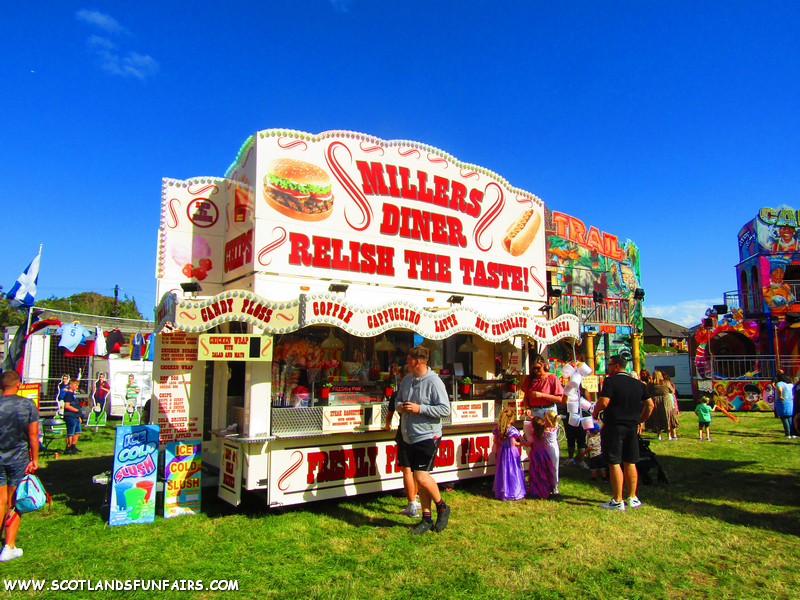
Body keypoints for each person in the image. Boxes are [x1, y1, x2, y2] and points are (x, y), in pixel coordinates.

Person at [395, 346, 451, 534]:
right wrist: (401, 407)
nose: (406, 362)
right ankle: (426, 519)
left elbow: (445, 409)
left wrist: (421, 409)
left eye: (408, 359)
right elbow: (397, 401)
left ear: (417, 361)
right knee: (420, 475)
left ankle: (442, 506)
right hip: (408, 435)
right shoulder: (407, 380)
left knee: (421, 476)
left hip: (428, 435)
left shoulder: (434, 382)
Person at [592, 354, 654, 511]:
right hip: (632, 426)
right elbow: (650, 405)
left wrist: (596, 411)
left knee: (614, 462)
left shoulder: (610, 381)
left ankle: (617, 499)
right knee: (630, 461)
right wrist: (641, 420)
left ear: (617, 366)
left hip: (614, 425)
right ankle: (633, 497)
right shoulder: (638, 383)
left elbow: (604, 401)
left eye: (610, 365)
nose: (608, 368)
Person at [0, 371, 39, 562]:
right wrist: (35, 458)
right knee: (14, 503)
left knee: (0, 501)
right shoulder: (27, 404)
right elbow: (33, 435)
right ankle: (8, 546)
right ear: (19, 384)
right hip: (18, 458)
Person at [383, 377, 420, 517]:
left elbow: (389, 415)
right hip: (419, 433)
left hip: (404, 433)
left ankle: (411, 504)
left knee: (407, 470)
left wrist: (387, 426)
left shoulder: (397, 394)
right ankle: (415, 499)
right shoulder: (418, 393)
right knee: (417, 469)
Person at [491, 408, 526, 501]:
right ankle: (514, 491)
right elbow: (513, 443)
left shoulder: (498, 429)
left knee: (503, 471)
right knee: (512, 471)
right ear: (510, 418)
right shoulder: (512, 430)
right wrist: (522, 441)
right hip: (511, 452)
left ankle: (502, 491)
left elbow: (496, 442)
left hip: (502, 452)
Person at [521, 416, 556, 499]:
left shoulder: (532, 436)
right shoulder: (543, 433)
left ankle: (537, 490)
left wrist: (521, 439)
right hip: (544, 453)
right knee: (544, 472)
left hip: (536, 455)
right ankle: (546, 489)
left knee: (536, 473)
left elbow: (527, 444)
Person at [645, 370, 679, 441]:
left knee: (657, 417)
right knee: (667, 417)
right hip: (666, 400)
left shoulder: (651, 384)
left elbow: (647, 392)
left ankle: (659, 435)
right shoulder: (666, 383)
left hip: (655, 401)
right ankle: (669, 435)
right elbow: (672, 390)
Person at [62, 379, 83, 454]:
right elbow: (67, 406)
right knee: (70, 432)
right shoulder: (68, 394)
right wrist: (76, 410)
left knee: (77, 431)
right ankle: (68, 448)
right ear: (70, 385)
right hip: (70, 416)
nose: (77, 387)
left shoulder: (74, 395)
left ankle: (73, 446)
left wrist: (78, 416)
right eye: (75, 385)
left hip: (76, 416)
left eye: (77, 385)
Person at [774, 374, 795, 439]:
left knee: (784, 418)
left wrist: (780, 396)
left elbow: (780, 389)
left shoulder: (780, 384)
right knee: (790, 418)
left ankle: (787, 434)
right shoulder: (790, 384)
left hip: (782, 402)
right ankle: (793, 433)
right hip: (790, 401)